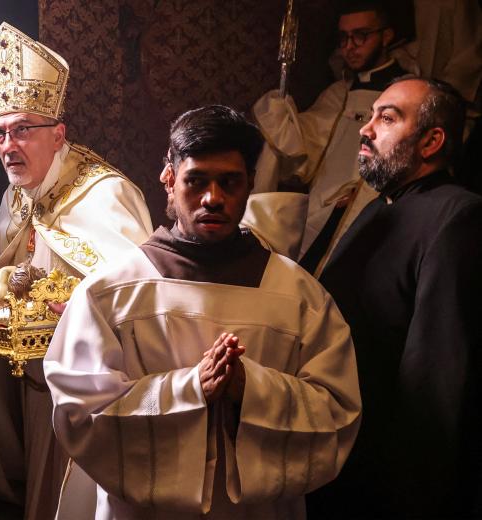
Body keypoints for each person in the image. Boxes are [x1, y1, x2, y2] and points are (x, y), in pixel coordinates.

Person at [45, 105, 361, 519]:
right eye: (196, 181)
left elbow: (337, 412)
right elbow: (79, 413)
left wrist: (251, 388)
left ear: (250, 184)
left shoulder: (300, 297)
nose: (213, 198)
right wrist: (191, 388)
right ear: (169, 179)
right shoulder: (110, 293)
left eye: (229, 182)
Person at [0, 22, 153, 520]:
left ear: (58, 133)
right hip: (32, 378)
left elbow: (140, 298)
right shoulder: (15, 194)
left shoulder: (105, 193)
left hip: (92, 386)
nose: (8, 145)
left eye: (22, 129)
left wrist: (82, 315)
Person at [311, 78, 482, 518]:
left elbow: (437, 373)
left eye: (387, 118)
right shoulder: (376, 209)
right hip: (339, 452)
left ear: (431, 141)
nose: (366, 129)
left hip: (388, 476)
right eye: (370, 117)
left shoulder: (457, 215)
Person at [253, 0, 407, 274]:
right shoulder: (338, 93)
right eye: (343, 38)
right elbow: (302, 152)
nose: (350, 46)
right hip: (324, 213)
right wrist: (279, 114)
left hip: (374, 215)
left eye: (361, 35)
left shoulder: (407, 92)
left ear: (387, 35)